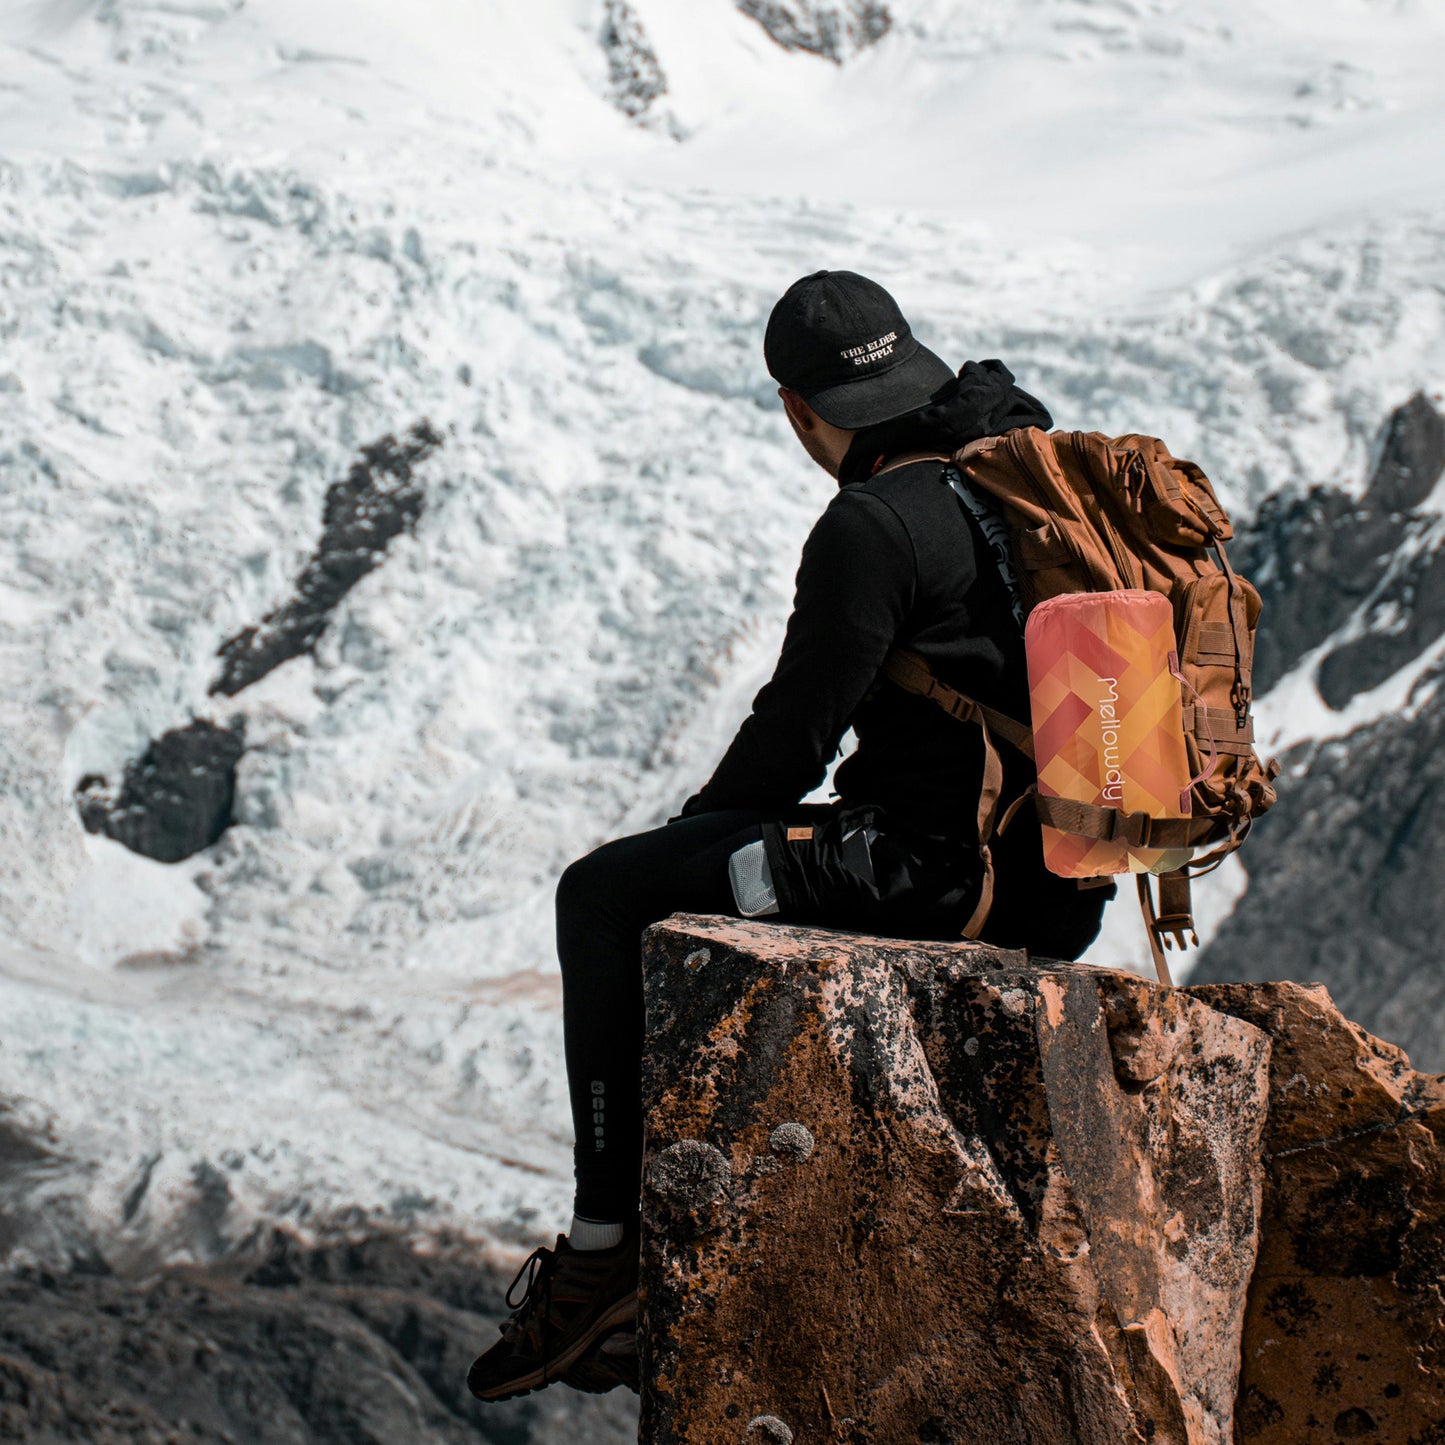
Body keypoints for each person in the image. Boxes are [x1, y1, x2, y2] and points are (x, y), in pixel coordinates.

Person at [467, 270, 1113, 1402]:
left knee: (603, 896)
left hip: (925, 880)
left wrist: (687, 841)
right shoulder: (1025, 484)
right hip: (1058, 891)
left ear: (797, 409)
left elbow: (792, 738)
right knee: (668, 875)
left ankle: (603, 1254)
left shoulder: (873, 522)